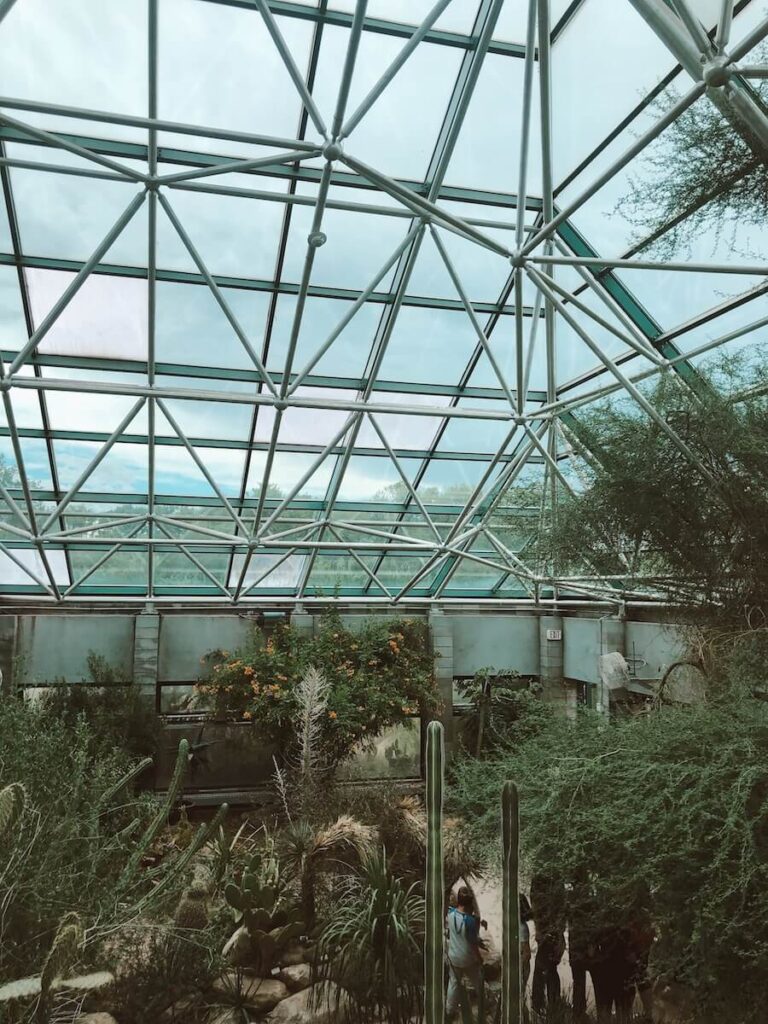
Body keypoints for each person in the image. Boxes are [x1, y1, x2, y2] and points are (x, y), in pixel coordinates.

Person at [531, 870, 566, 1015]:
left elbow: (538, 907)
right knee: (548, 968)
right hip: (549, 933)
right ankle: (549, 1004)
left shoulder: (550, 879)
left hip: (549, 933)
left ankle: (544, 1004)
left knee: (545, 967)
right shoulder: (553, 879)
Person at [446, 886, 483, 1020]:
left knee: (454, 983)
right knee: (478, 981)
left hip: (453, 957)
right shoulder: (470, 921)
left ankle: (449, 1011)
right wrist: (479, 958)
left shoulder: (450, 915)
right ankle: (482, 1005)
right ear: (469, 904)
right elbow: (473, 944)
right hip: (467, 959)